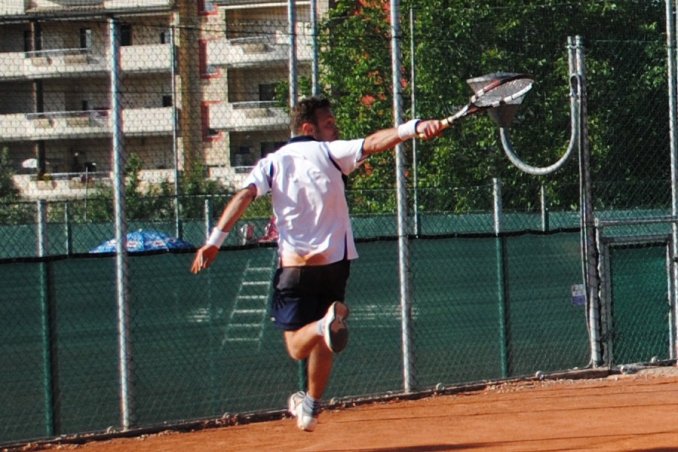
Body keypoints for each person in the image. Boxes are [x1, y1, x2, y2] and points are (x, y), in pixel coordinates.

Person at [191, 96, 443, 431]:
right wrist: (414, 127)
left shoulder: (272, 163)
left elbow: (244, 196)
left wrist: (214, 242)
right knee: (325, 331)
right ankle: (309, 405)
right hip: (336, 266)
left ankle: (321, 342)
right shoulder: (330, 152)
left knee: (297, 347)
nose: (335, 128)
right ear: (309, 128)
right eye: (329, 123)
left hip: (296, 269)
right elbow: (375, 142)